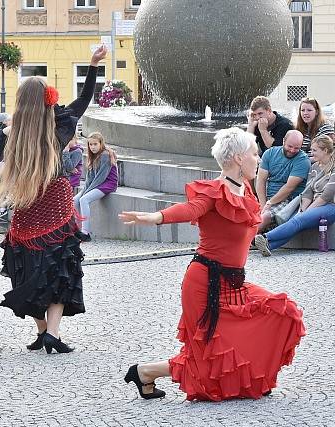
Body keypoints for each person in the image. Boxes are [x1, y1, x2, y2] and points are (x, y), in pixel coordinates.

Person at [119, 128, 305, 401]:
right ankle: (145, 372)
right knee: (207, 359)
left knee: (283, 312)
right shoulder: (213, 192)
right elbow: (189, 210)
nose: (259, 158)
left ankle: (251, 374)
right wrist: (155, 217)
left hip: (234, 282)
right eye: (255, 154)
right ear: (239, 158)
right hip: (204, 285)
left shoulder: (245, 190)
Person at [0, 44, 108, 355]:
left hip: (28, 208)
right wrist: (93, 64)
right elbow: (83, 100)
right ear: (48, 100)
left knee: (27, 271)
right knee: (60, 269)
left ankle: (43, 330)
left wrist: (8, 127)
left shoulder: (10, 134)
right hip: (56, 206)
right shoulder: (60, 125)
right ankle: (52, 332)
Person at [254, 135, 335, 255]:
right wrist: (304, 209)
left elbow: (327, 195)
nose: (311, 153)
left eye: (314, 150)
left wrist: (306, 212)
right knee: (296, 223)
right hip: (314, 204)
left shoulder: (333, 168)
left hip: (330, 206)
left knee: (298, 220)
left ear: (325, 150)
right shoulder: (314, 167)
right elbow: (308, 191)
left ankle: (265, 238)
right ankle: (269, 246)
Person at [255, 130, 310, 232]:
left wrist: (269, 204)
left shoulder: (303, 160)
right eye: (290, 146)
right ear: (283, 141)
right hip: (268, 198)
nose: (292, 150)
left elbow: (289, 188)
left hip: (289, 199)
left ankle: (242, 241)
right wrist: (263, 204)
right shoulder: (269, 153)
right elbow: (260, 180)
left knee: (265, 216)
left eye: (297, 148)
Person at [73, 132, 118, 241]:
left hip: (107, 183)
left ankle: (85, 232)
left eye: (95, 144)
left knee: (84, 199)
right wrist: (85, 190)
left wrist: (87, 192)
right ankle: (76, 229)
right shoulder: (93, 156)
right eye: (90, 144)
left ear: (101, 143)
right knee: (75, 199)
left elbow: (101, 177)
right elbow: (90, 178)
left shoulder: (105, 155)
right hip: (97, 183)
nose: (92, 147)